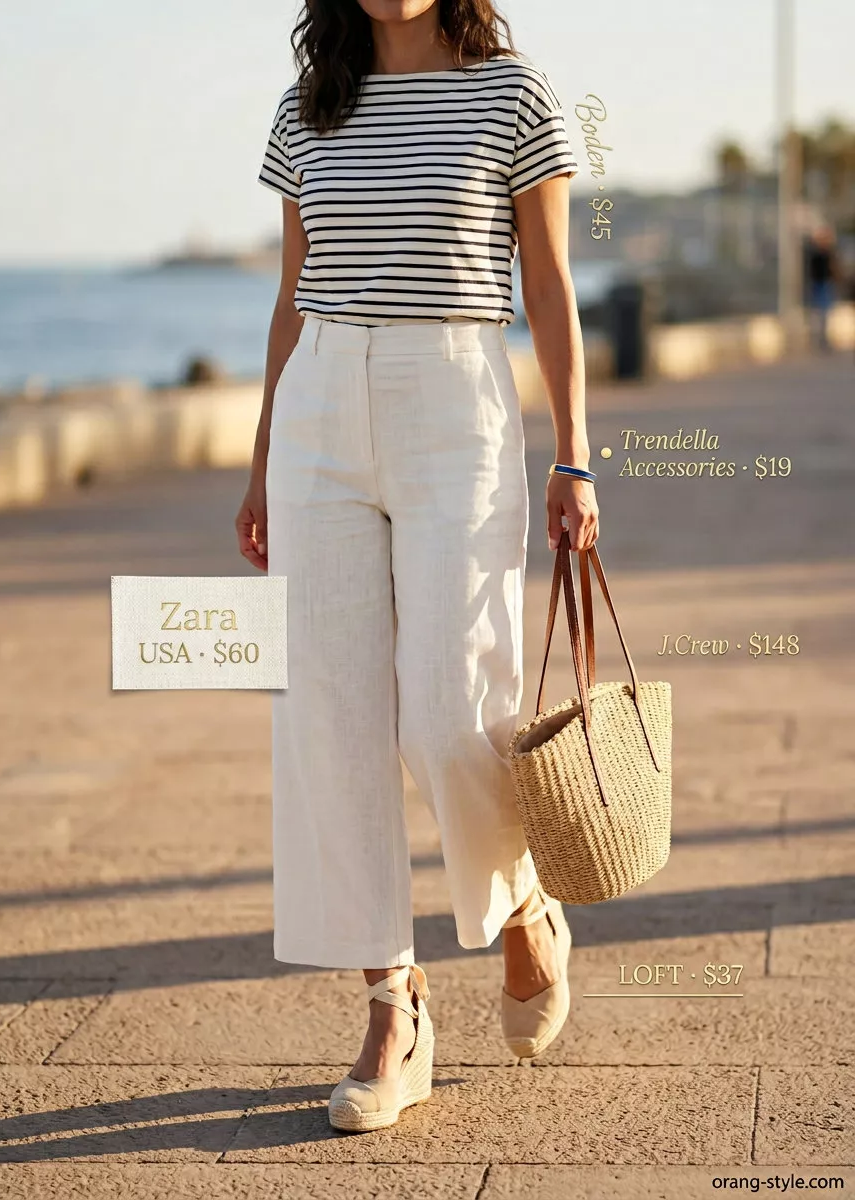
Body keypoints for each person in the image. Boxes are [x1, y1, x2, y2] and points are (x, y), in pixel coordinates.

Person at [236, 0, 598, 1133]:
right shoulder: (309, 107)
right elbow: (292, 293)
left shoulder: (513, 93)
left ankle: (524, 905)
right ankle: (394, 1009)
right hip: (318, 415)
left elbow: (548, 283)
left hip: (455, 404)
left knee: (452, 709)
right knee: (331, 717)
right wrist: (261, 459)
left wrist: (574, 455)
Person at [804, 224, 839, 352]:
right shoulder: (817, 253)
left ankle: (823, 339)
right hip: (819, 285)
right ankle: (819, 339)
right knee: (819, 313)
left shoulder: (825, 253)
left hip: (824, 284)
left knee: (824, 314)